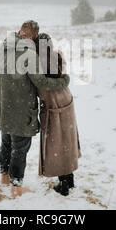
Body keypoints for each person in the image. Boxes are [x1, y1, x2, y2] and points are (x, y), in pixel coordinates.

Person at [0, 20, 70, 198]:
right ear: (33, 37)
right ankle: (16, 187)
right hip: (21, 107)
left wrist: (2, 92)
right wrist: (64, 81)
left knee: (6, 141)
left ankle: (4, 177)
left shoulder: (3, 46)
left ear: (19, 31)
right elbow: (40, 81)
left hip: (3, 104)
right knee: (20, 146)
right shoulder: (29, 53)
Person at [35, 33, 81, 196]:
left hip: (52, 103)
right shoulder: (57, 56)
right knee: (67, 140)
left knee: (57, 144)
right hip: (66, 99)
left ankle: (64, 183)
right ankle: (70, 178)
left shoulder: (37, 63)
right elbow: (64, 76)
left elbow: (39, 84)